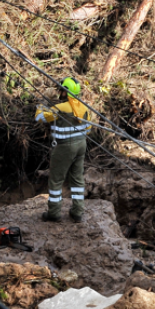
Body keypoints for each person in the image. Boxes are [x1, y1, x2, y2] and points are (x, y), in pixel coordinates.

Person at [34, 77, 92, 222]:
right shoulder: (84, 107)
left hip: (65, 147)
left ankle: (54, 213)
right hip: (81, 145)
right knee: (77, 178)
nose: (59, 92)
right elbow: (89, 129)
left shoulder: (60, 109)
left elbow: (39, 118)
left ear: (66, 92)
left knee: (56, 180)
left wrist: (43, 102)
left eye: (61, 90)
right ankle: (77, 212)